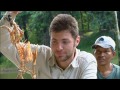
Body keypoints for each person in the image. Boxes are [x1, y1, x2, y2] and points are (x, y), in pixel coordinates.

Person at [0, 11, 97, 79]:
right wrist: (11, 13)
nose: (59, 47)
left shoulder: (87, 61)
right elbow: (5, 44)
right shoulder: (39, 55)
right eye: (54, 41)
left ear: (77, 41)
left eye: (65, 42)